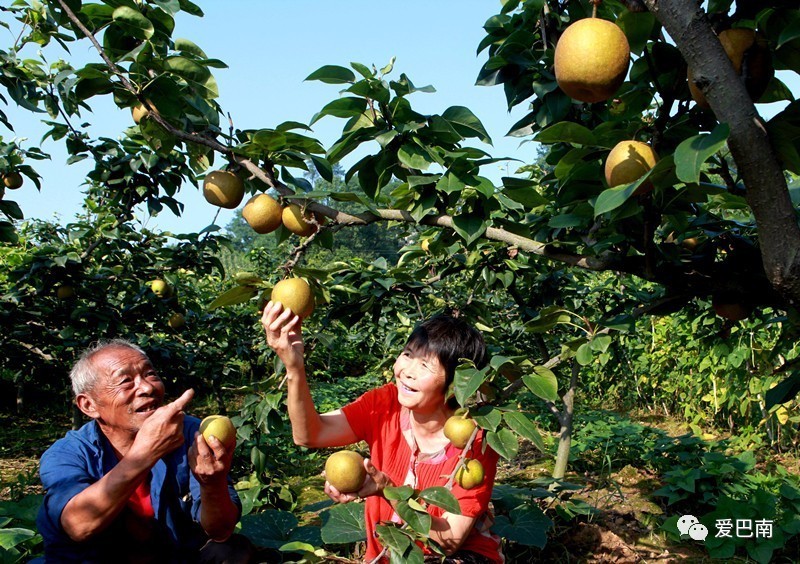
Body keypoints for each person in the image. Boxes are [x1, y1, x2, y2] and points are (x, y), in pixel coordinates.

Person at [262, 305, 503, 564]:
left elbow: (449, 541)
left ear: (457, 383)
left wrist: (386, 490)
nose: (407, 370)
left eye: (425, 365)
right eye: (408, 354)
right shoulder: (384, 405)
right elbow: (310, 434)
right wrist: (294, 365)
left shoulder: (474, 441)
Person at [36, 339, 250, 563]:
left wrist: (212, 484)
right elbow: (79, 525)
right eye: (126, 381)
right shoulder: (67, 454)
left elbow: (220, 530)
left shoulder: (190, 434)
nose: (147, 388)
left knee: (232, 550)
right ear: (89, 406)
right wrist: (145, 453)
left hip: (173, 556)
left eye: (151, 375)